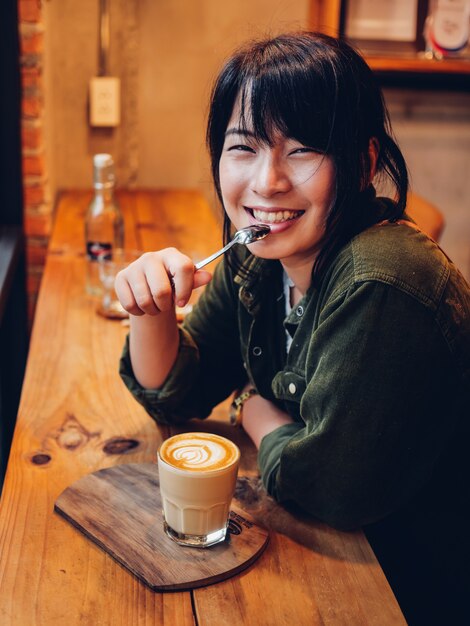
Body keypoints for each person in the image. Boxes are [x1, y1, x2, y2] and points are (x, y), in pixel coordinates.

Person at [116, 32, 470, 625]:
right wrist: (148, 309)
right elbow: (179, 391)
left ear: (364, 163)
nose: (268, 181)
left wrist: (252, 408)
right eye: (243, 148)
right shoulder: (257, 257)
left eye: (303, 150)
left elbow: (332, 488)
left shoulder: (381, 281)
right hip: (333, 555)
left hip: (411, 580)